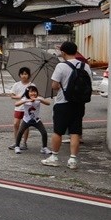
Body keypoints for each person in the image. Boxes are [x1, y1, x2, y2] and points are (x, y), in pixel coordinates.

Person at [42, 41, 94, 169]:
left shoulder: (61, 66)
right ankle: (73, 160)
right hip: (79, 103)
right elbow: (89, 84)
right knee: (75, 132)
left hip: (63, 103)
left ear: (63, 52)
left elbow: (54, 86)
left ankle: (54, 157)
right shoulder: (85, 66)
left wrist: (60, 86)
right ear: (76, 52)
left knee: (58, 131)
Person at [13, 85, 54, 155]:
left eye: (35, 92)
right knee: (20, 132)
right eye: (31, 92)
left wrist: (40, 99)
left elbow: (48, 103)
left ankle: (44, 148)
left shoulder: (38, 99)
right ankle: (17, 146)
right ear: (27, 93)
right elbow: (16, 104)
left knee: (44, 132)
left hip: (36, 120)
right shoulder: (25, 99)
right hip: (26, 120)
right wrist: (26, 100)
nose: (33, 93)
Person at [7, 67, 35, 150]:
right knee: (16, 124)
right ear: (19, 75)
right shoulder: (16, 85)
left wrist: (30, 96)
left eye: (26, 74)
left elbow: (36, 95)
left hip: (28, 108)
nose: (24, 76)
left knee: (26, 126)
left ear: (29, 75)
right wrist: (18, 96)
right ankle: (16, 142)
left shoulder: (32, 85)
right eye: (22, 74)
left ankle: (24, 143)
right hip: (19, 108)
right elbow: (11, 95)